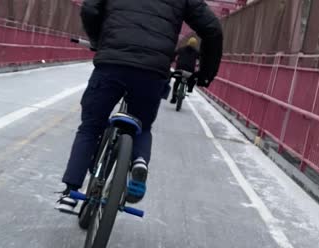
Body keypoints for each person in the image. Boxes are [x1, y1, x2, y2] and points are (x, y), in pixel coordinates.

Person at [57, 0, 223, 213]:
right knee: (142, 126)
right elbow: (213, 30)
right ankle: (140, 161)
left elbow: (90, 8)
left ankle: (71, 192)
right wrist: (206, 74)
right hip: (152, 71)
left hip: (112, 64)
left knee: (91, 126)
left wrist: (100, 41)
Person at [171, 37, 201, 104]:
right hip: (190, 71)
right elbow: (201, 59)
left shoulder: (181, 49)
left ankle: (173, 98)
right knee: (192, 78)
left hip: (179, 69)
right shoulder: (196, 52)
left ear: (188, 42)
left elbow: (174, 53)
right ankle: (189, 88)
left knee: (177, 82)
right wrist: (199, 65)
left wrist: (173, 60)